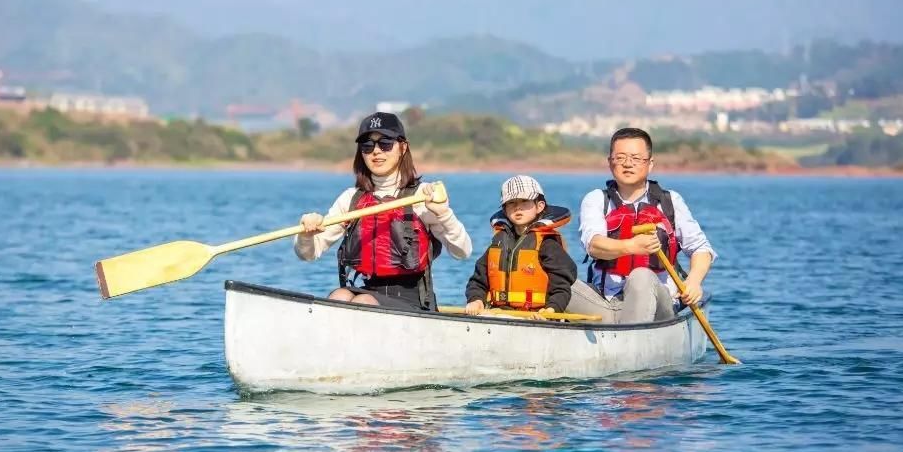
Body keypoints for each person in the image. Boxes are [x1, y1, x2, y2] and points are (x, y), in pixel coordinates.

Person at [294, 111, 473, 311]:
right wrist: (306, 235)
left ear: (403, 147)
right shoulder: (351, 199)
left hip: (415, 302)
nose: (376, 152)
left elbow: (462, 251)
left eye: (385, 143)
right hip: (369, 291)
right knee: (340, 296)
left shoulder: (423, 195)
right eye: (367, 146)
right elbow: (308, 254)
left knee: (362, 302)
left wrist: (443, 213)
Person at [565, 127, 717, 324]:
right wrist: (632, 246)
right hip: (606, 304)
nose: (627, 164)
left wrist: (694, 282)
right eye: (620, 158)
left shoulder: (670, 201)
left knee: (641, 277)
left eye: (636, 158)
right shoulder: (595, 200)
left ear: (650, 164)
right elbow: (594, 245)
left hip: (659, 306)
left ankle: (629, 343)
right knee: (554, 278)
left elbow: (701, 249)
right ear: (610, 162)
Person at [464, 175, 578, 318]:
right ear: (505, 210)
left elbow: (562, 287)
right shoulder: (498, 243)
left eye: (524, 201)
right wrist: (475, 300)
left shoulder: (548, 244)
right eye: (511, 203)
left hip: (537, 316)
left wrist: (551, 310)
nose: (517, 207)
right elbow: (477, 281)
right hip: (499, 313)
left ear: (540, 206)